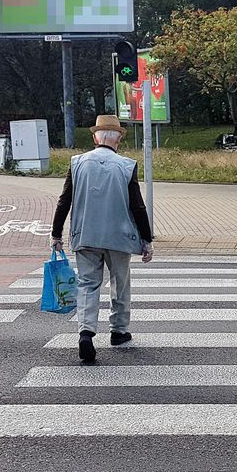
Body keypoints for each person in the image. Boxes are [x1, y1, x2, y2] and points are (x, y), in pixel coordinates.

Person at [51, 115, 154, 364]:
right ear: (118, 139)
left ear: (95, 137)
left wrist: (56, 234)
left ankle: (86, 332)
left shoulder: (77, 163)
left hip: (85, 235)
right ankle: (118, 331)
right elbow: (138, 206)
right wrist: (146, 239)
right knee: (120, 282)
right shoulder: (127, 165)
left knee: (87, 284)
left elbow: (64, 200)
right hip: (119, 237)